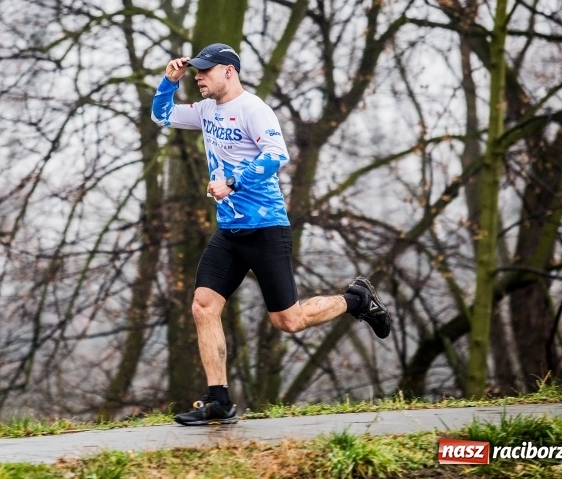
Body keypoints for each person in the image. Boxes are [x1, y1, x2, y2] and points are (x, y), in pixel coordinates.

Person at [151, 43, 392, 426]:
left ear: (229, 71)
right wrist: (169, 82)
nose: (198, 77)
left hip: (265, 229)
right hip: (229, 232)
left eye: (205, 70)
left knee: (288, 321)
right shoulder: (206, 110)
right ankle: (219, 402)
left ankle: (356, 299)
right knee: (203, 306)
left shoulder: (253, 109)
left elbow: (276, 155)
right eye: (195, 71)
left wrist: (232, 181)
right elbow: (161, 115)